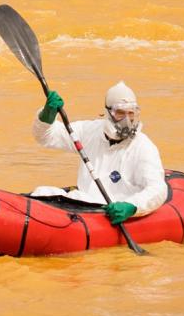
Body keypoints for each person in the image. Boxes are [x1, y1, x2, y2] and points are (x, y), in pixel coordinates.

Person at [30, 81, 167, 224]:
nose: (127, 119)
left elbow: (158, 188)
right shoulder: (89, 131)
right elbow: (46, 137)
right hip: (83, 206)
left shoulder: (143, 146)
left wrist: (132, 206)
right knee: (42, 192)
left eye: (131, 113)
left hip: (113, 212)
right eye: (120, 113)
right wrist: (47, 116)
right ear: (108, 112)